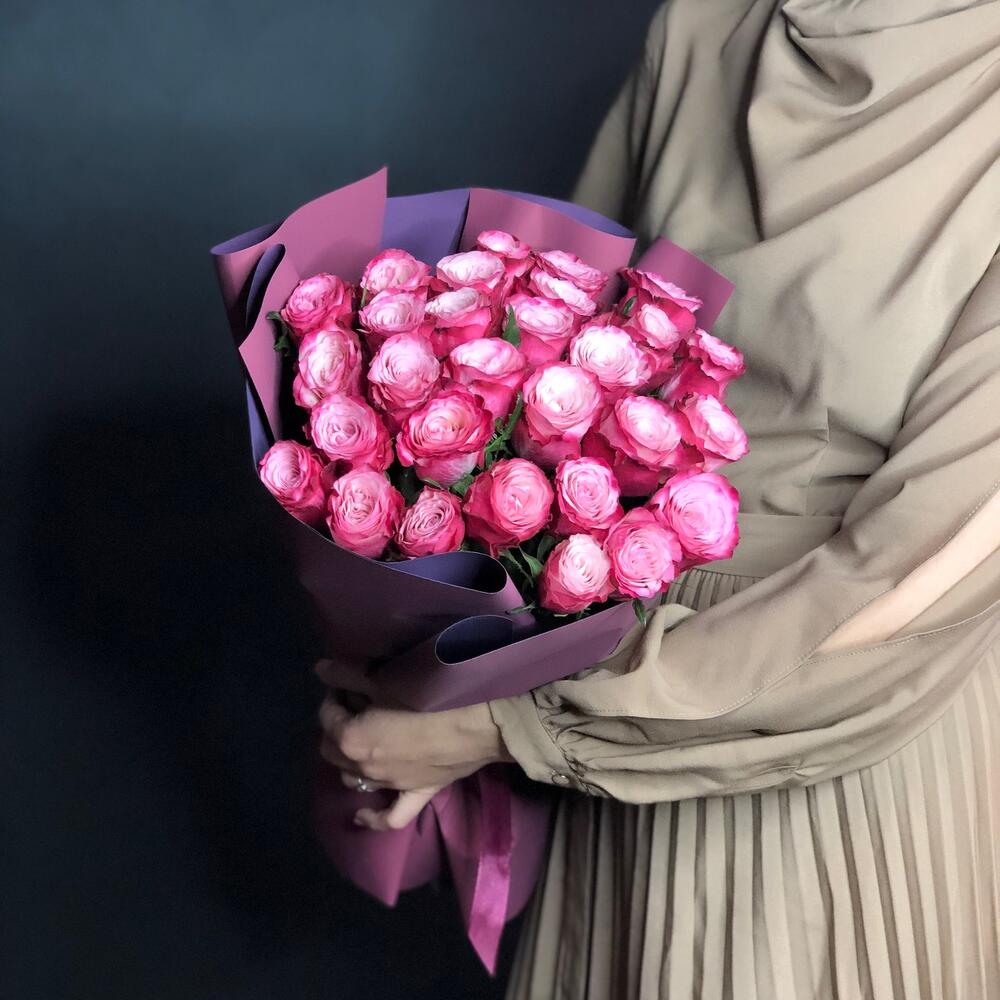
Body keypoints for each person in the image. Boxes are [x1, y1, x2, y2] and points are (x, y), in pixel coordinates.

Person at [317, 1, 1000, 996]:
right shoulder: (701, 21)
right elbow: (551, 351)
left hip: (825, 767)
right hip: (612, 703)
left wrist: (504, 727)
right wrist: (438, 645)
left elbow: (904, 597)